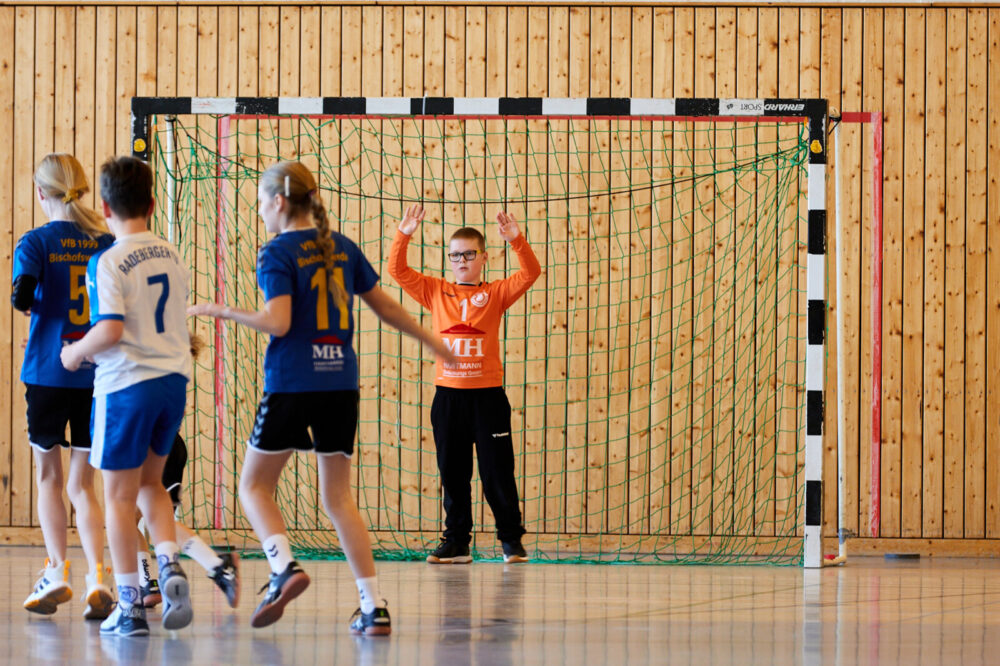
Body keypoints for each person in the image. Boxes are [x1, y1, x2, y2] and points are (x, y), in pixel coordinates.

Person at [188, 160, 455, 635]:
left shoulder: (277, 252)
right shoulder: (343, 247)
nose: (261, 216)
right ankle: (373, 606)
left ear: (279, 202)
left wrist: (221, 310)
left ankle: (283, 566)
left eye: (260, 206)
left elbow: (279, 323)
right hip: (340, 384)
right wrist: (430, 340)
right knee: (338, 497)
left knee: (253, 487)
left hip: (292, 382)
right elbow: (386, 306)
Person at [61, 155, 194, 637]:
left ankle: (132, 607)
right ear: (153, 204)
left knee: (116, 498)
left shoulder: (109, 260)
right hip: (172, 384)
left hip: (127, 387)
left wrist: (75, 353)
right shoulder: (171, 254)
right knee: (150, 486)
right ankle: (169, 563)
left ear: (104, 206)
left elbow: (111, 329)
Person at [388, 205, 540, 564]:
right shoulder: (435, 291)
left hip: (487, 398)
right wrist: (404, 233)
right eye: (455, 255)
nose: (461, 261)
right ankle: (457, 542)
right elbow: (397, 270)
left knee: (496, 472)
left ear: (483, 257)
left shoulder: (498, 293)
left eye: (469, 254)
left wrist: (516, 240)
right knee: (453, 473)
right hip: (448, 398)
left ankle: (511, 541)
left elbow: (531, 272)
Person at [12, 153, 115, 619]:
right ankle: (99, 573)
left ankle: (57, 570)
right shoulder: (106, 242)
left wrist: (31, 296)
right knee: (83, 485)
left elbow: (21, 295)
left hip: (48, 373)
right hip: (96, 375)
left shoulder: (35, 242)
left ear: (40, 193)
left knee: (48, 478)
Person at [136, 432, 240, 609]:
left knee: (129, 517)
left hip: (142, 442)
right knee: (159, 520)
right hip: (172, 442)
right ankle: (217, 565)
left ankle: (145, 584)